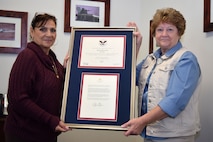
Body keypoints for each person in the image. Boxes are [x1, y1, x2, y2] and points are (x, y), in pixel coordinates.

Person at [122, 8, 201, 142]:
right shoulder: (150, 59)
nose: (164, 34)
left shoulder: (186, 59)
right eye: (159, 30)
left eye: (170, 29)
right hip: (151, 133)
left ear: (179, 33)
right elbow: (127, 79)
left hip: (174, 136)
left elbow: (174, 102)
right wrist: (134, 47)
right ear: (154, 34)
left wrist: (141, 121)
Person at [4, 13, 70, 142]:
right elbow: (18, 99)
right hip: (26, 134)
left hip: (46, 133)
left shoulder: (52, 59)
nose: (49, 34)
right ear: (32, 31)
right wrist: (51, 120)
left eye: (53, 30)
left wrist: (68, 71)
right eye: (43, 29)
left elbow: (56, 88)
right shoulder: (27, 56)